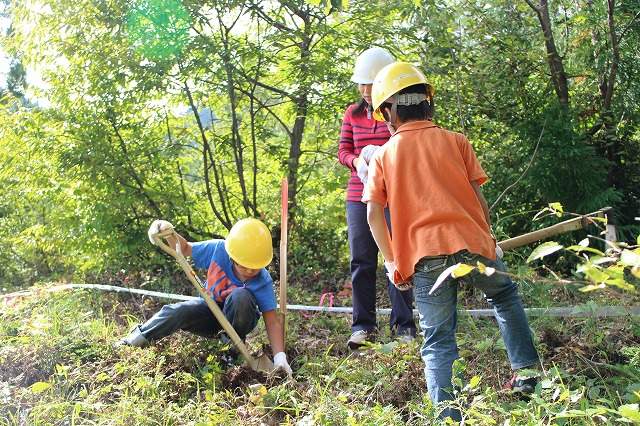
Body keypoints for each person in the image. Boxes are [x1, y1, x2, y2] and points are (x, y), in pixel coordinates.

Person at [362, 61, 540, 421]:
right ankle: (528, 374)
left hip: (425, 259)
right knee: (504, 298)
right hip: (473, 244)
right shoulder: (457, 141)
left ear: (388, 114)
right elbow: (479, 201)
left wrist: (393, 261)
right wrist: (489, 239)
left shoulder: (383, 155)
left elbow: (371, 215)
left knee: (439, 340)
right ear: (428, 103)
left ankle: (447, 417)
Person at [119, 218, 292, 375]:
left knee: (241, 296)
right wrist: (169, 232)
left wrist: (279, 357)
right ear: (231, 255)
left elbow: (271, 321)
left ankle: (231, 351)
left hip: (237, 322)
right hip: (209, 312)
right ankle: (134, 340)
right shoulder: (218, 250)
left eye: (255, 267)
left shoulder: (262, 281)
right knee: (176, 311)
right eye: (244, 265)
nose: (249, 271)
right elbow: (185, 248)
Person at [337, 47, 417, 350]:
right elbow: (343, 150)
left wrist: (381, 156)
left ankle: (404, 326)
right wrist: (357, 161)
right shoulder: (353, 113)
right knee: (362, 260)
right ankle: (363, 326)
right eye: (361, 84)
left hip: (392, 197)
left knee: (395, 258)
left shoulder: (397, 114)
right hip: (358, 195)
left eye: (371, 84)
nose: (365, 90)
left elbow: (406, 148)